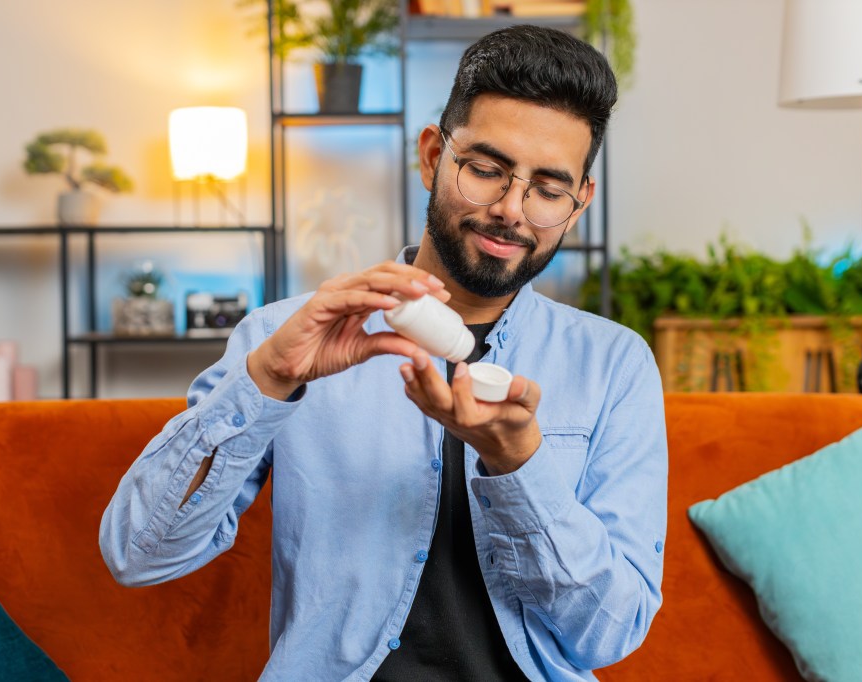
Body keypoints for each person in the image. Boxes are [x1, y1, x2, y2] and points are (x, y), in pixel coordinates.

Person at [100, 24, 667, 681]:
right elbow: (135, 554)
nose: (512, 209)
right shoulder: (287, 339)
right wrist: (268, 382)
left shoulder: (613, 365)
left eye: (547, 189)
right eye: (486, 170)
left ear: (578, 205)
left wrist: (519, 468)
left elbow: (612, 632)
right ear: (432, 155)